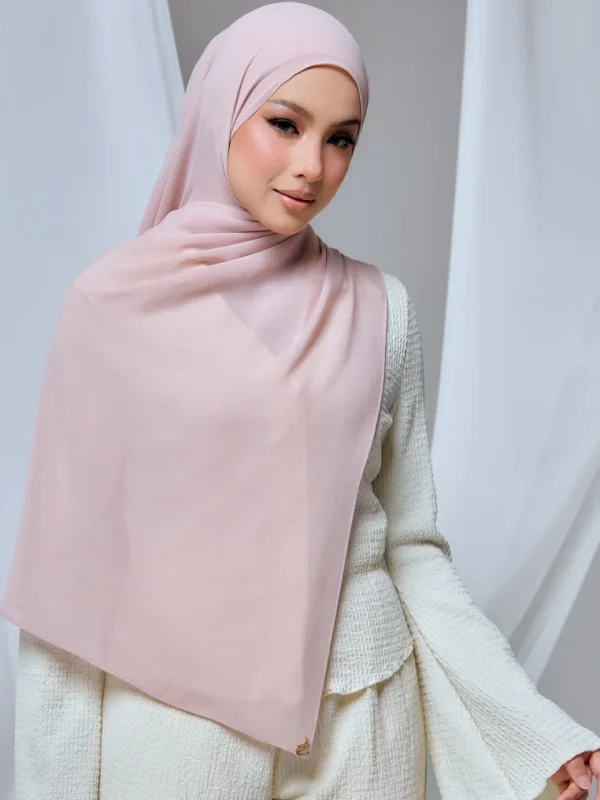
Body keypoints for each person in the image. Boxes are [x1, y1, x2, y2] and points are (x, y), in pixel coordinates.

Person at [2, 4, 599, 799]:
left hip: (366, 723)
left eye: (341, 138)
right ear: (222, 109)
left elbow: (412, 551)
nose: (312, 166)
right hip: (179, 736)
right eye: (284, 124)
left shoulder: (382, 311)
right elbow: (68, 598)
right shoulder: (110, 310)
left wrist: (536, 738)